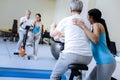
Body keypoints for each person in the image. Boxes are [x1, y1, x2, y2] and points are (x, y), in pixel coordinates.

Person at [50, 0, 92, 80]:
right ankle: (78, 76)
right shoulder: (87, 22)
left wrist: (52, 26)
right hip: (87, 57)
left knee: (54, 76)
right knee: (76, 71)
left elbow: (52, 34)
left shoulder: (66, 20)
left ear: (70, 9)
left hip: (71, 55)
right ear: (81, 9)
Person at [73, 8, 116, 80]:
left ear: (91, 17)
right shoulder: (94, 27)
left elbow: (95, 40)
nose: (87, 18)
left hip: (106, 62)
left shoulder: (97, 25)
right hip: (102, 63)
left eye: (87, 16)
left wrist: (83, 26)